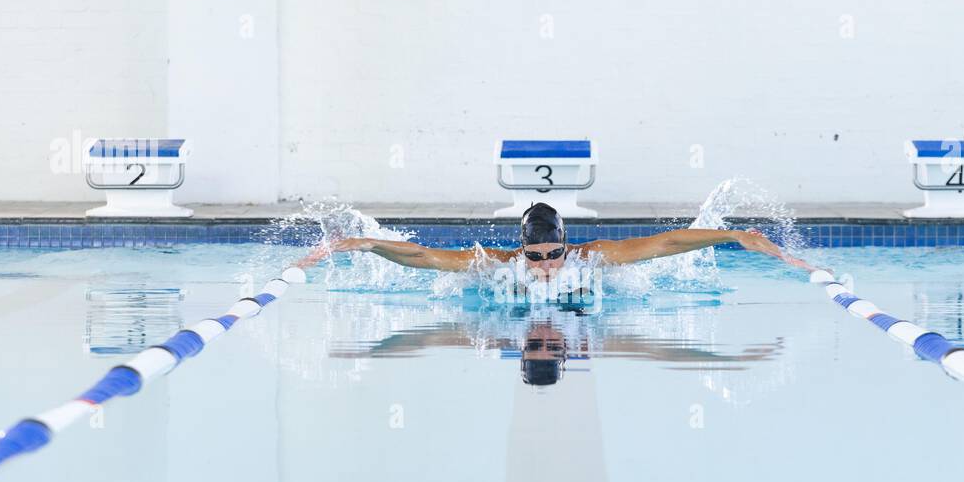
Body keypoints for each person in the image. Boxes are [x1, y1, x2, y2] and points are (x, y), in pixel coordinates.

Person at [296, 202, 786, 276]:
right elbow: (425, 256)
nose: (546, 266)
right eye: (536, 257)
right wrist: (368, 244)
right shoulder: (502, 265)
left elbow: (666, 243)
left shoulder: (590, 258)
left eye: (553, 255)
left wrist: (731, 235)